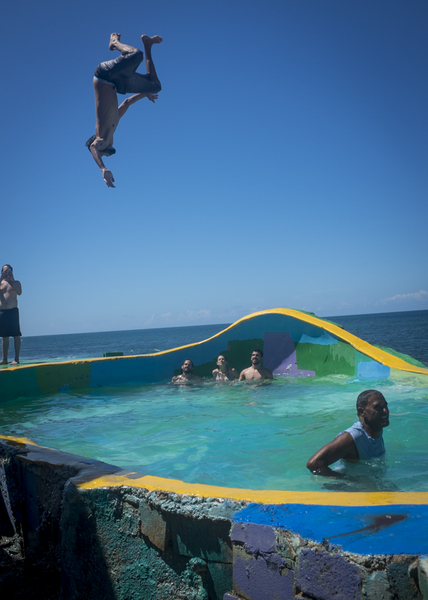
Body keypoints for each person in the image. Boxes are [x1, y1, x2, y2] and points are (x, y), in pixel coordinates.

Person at [86, 33, 162, 188]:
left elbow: (93, 147)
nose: (113, 143)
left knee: (135, 55)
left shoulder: (101, 137)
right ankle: (148, 45)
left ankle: (114, 43)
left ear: (105, 148)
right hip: (116, 83)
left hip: (104, 76)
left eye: (109, 149)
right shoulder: (113, 123)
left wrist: (103, 168)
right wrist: (144, 93)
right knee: (154, 86)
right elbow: (127, 102)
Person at [306, 390, 389, 478]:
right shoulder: (351, 438)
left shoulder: (375, 426)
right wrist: (348, 481)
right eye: (378, 407)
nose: (385, 411)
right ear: (362, 412)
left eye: (385, 405)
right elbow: (313, 464)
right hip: (348, 487)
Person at [0, 265, 22, 365]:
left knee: (16, 335)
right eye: (5, 271)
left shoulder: (16, 283)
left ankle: (16, 358)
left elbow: (19, 292)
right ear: (2, 272)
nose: (7, 273)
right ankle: (4, 359)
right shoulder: (1, 283)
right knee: (5, 337)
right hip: (3, 312)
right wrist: (1, 277)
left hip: (13, 311)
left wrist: (12, 280)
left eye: (9, 271)